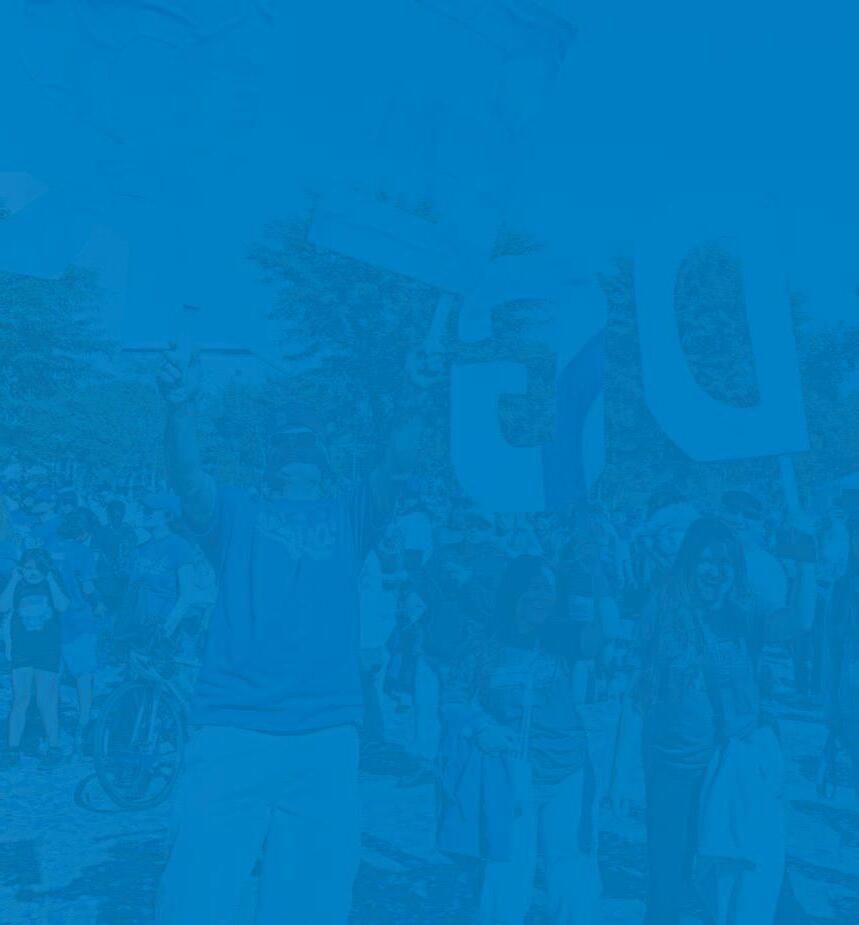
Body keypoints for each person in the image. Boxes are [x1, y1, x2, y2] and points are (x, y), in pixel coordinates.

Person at [156, 351, 424, 925]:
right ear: (269, 460)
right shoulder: (236, 513)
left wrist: (414, 394)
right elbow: (187, 477)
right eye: (287, 441)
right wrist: (180, 409)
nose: (298, 447)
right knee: (196, 899)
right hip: (232, 725)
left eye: (307, 441)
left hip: (325, 732)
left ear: (324, 461)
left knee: (313, 904)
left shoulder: (351, 515)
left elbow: (398, 463)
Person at [622, 516, 816, 925]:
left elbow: (797, 623)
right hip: (675, 767)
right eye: (707, 561)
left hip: (733, 767)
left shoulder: (744, 609)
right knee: (667, 880)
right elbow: (636, 683)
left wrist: (807, 564)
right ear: (689, 561)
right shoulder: (661, 608)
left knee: (749, 869)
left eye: (726, 562)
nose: (717, 572)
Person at [442, 556, 606, 925]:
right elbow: (451, 701)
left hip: (568, 770)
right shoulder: (484, 645)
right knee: (507, 869)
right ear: (513, 591)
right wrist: (479, 727)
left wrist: (594, 583)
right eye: (534, 587)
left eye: (550, 590)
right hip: (511, 774)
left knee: (571, 869)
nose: (543, 596)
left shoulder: (562, 639)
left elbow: (598, 637)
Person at [0, 548, 70, 768]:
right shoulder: (17, 585)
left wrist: (51, 579)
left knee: (46, 701)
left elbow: (62, 606)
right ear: (21, 568)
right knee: (20, 699)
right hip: (22, 651)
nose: (33, 573)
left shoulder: (51, 584)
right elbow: (2, 606)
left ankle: (54, 747)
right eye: (28, 568)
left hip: (47, 651)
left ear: (46, 569)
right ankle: (13, 749)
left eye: (38, 568)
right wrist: (14, 580)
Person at [55, 509, 104, 753]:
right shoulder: (83, 552)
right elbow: (87, 588)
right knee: (84, 676)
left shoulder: (49, 548)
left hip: (52, 620)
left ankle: (52, 726)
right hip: (78, 618)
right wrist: (99, 605)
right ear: (84, 532)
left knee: (54, 675)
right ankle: (83, 726)